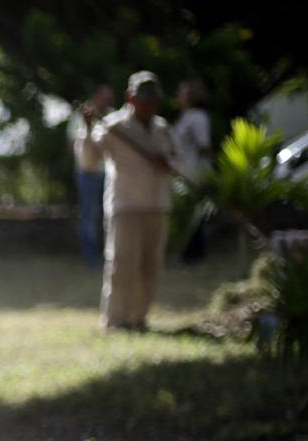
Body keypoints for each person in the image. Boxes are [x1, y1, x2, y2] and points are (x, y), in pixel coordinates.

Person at [81, 71, 178, 331]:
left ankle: (138, 317)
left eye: (153, 101)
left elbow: (179, 162)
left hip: (157, 204)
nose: (149, 107)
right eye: (144, 101)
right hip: (125, 204)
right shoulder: (113, 126)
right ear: (130, 98)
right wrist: (88, 128)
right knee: (123, 265)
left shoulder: (163, 128)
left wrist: (167, 163)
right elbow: (89, 161)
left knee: (151, 267)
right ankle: (116, 319)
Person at [73, 83, 115, 268]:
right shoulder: (81, 116)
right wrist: (88, 124)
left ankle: (109, 253)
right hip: (88, 172)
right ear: (96, 96)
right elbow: (75, 143)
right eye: (104, 97)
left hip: (108, 173)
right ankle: (91, 257)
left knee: (109, 214)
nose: (107, 101)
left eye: (109, 98)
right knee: (89, 215)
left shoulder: (112, 116)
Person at [173, 79, 213, 263]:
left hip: (195, 172)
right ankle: (189, 251)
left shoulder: (198, 117)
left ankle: (195, 253)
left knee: (196, 215)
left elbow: (203, 145)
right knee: (188, 214)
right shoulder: (185, 117)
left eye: (183, 93)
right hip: (183, 172)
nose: (179, 96)